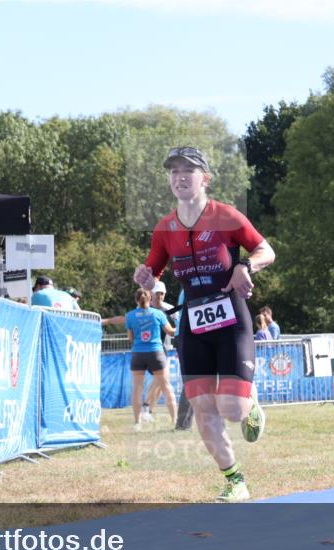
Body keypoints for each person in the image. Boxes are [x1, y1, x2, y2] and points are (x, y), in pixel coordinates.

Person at [134, 146, 275, 502]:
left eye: (188, 170)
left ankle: (251, 404)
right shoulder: (165, 228)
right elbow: (153, 271)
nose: (179, 176)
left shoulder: (226, 216)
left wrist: (246, 267)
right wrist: (145, 278)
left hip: (232, 321)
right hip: (192, 326)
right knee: (202, 409)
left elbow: (266, 250)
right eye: (173, 171)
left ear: (205, 179)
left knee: (231, 409)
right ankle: (235, 481)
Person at [120, 288, 178, 431]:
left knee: (137, 388)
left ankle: (137, 423)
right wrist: (185, 328)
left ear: (136, 301)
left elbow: (130, 338)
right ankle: (175, 421)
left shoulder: (130, 316)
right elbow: (170, 332)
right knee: (166, 386)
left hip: (138, 353)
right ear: (150, 299)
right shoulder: (158, 313)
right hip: (156, 353)